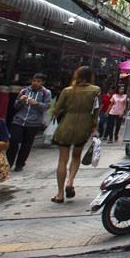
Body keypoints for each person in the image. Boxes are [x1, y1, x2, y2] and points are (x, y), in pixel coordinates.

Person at [51, 66, 100, 203]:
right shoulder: (95, 91)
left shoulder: (67, 91)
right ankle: (70, 181)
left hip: (66, 125)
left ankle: (60, 194)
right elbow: (95, 111)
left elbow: (57, 110)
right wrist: (94, 127)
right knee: (76, 156)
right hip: (83, 126)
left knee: (62, 160)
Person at [7, 72, 52, 172]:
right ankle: (8, 163)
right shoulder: (24, 90)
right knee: (13, 140)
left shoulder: (46, 93)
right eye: (34, 80)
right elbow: (16, 106)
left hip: (33, 122)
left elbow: (47, 107)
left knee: (26, 144)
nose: (35, 83)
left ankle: (20, 164)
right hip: (19, 120)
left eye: (38, 81)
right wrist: (21, 101)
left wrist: (36, 104)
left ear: (43, 82)